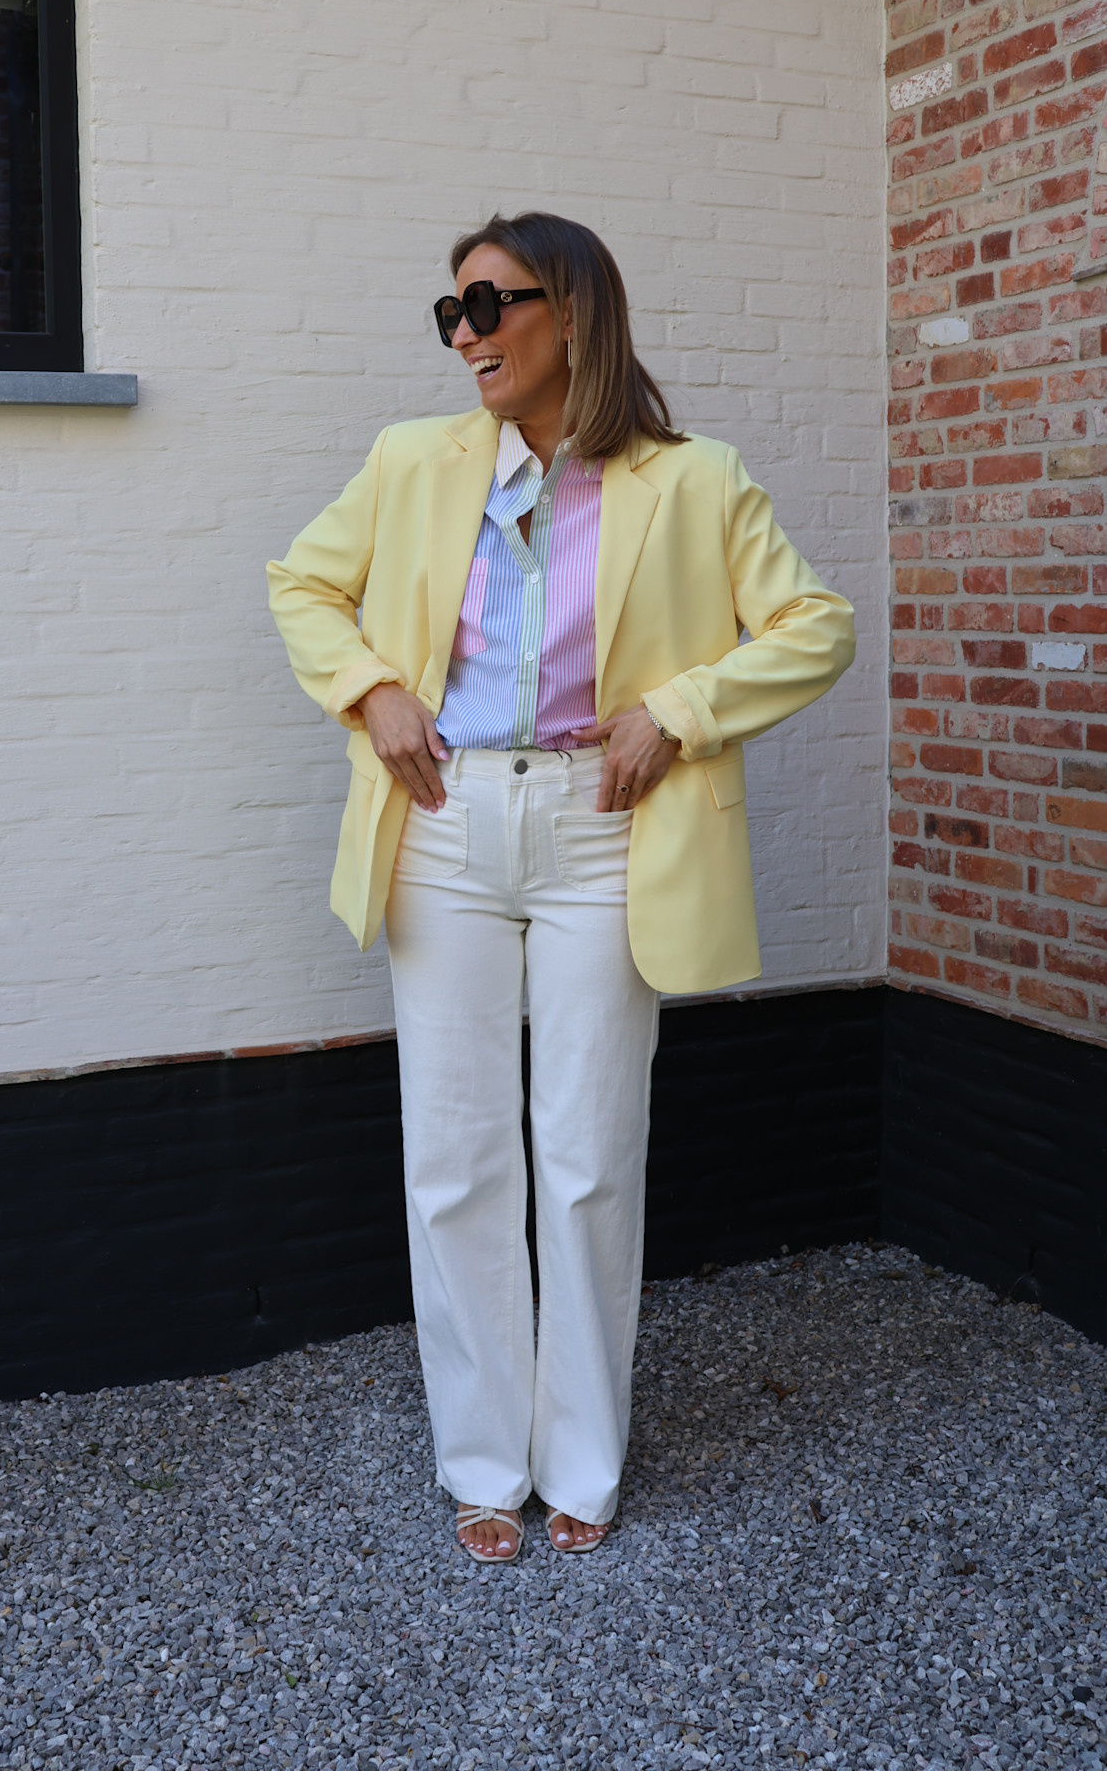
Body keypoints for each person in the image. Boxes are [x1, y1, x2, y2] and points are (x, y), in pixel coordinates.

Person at [267, 212, 854, 1563]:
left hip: (606, 829)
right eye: (452, 313)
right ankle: (483, 1462)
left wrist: (680, 713)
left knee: (588, 1153)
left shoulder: (691, 479)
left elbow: (813, 624)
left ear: (573, 311)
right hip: (445, 822)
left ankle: (582, 1459)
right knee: (455, 1154)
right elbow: (302, 585)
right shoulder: (413, 461)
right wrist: (374, 691)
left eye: (491, 305)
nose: (465, 335)